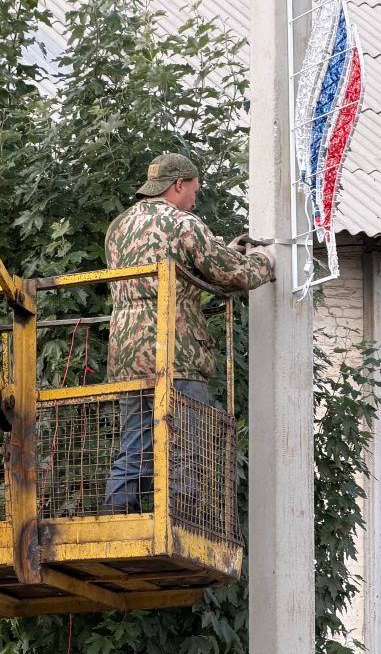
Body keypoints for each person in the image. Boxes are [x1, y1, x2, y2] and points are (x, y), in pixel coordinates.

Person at [103, 153, 275, 513]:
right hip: (175, 353)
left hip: (128, 357)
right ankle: (180, 522)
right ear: (178, 184)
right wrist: (265, 261)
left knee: (135, 446)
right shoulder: (184, 224)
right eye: (194, 190)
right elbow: (234, 275)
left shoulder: (118, 227)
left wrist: (221, 252)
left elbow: (175, 269)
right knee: (184, 447)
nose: (195, 199)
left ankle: (116, 518)